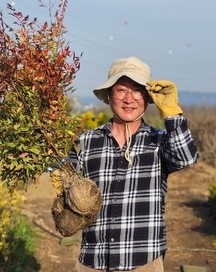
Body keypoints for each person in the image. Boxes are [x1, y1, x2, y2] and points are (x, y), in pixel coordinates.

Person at [66, 56, 199, 272]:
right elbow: (64, 177)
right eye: (121, 90)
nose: (129, 99)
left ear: (147, 98)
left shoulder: (159, 141)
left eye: (137, 90)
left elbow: (186, 158)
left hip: (143, 262)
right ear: (109, 95)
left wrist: (172, 114)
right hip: (93, 260)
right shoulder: (86, 141)